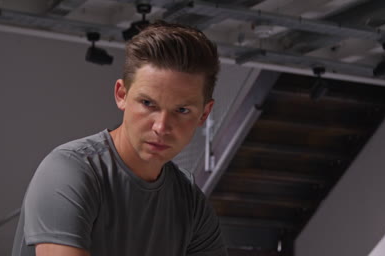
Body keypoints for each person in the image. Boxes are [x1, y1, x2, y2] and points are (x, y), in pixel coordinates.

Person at [12, 21, 227, 256]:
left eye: (182, 110)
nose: (161, 126)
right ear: (121, 94)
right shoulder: (68, 171)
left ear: (204, 114)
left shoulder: (190, 203)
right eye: (148, 104)